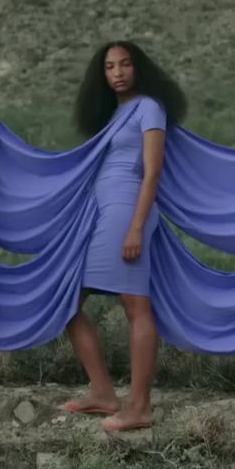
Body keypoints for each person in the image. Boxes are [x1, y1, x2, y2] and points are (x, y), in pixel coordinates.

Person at [60, 41, 185, 432]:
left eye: (125, 64)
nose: (118, 72)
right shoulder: (114, 113)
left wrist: (134, 225)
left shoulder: (149, 107)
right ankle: (103, 393)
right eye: (110, 67)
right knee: (67, 302)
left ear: (138, 68)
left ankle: (140, 407)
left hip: (127, 210)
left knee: (135, 306)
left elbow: (151, 172)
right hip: (103, 213)